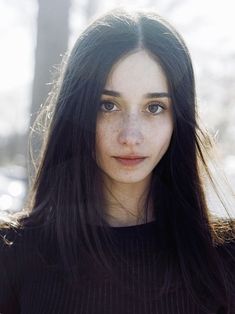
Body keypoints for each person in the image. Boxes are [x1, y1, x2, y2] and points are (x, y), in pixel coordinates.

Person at [0, 8, 235, 314]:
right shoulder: (11, 254)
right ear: (78, 111)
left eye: (154, 107)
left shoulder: (226, 259)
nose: (130, 135)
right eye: (108, 105)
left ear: (179, 119)